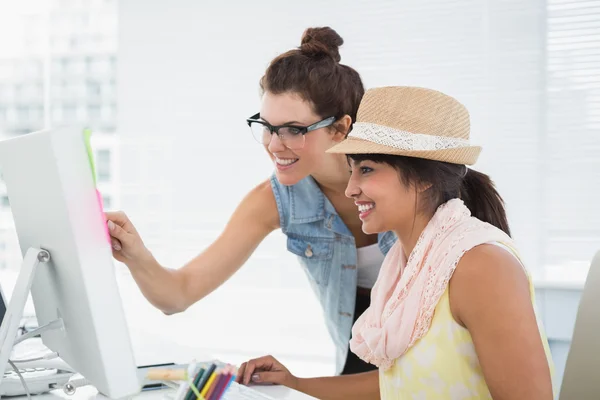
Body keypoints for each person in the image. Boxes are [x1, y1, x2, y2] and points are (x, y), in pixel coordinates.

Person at [104, 27, 396, 376]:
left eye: (293, 130)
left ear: (340, 128)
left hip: (435, 347)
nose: (274, 144)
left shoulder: (400, 179)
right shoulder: (275, 200)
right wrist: (136, 255)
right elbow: (177, 295)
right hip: (358, 355)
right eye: (267, 126)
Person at [236, 86, 555, 400]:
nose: (350, 189)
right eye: (351, 170)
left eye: (367, 170)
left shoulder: (481, 266)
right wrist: (294, 383)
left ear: (424, 175)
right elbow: (397, 383)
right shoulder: (407, 266)